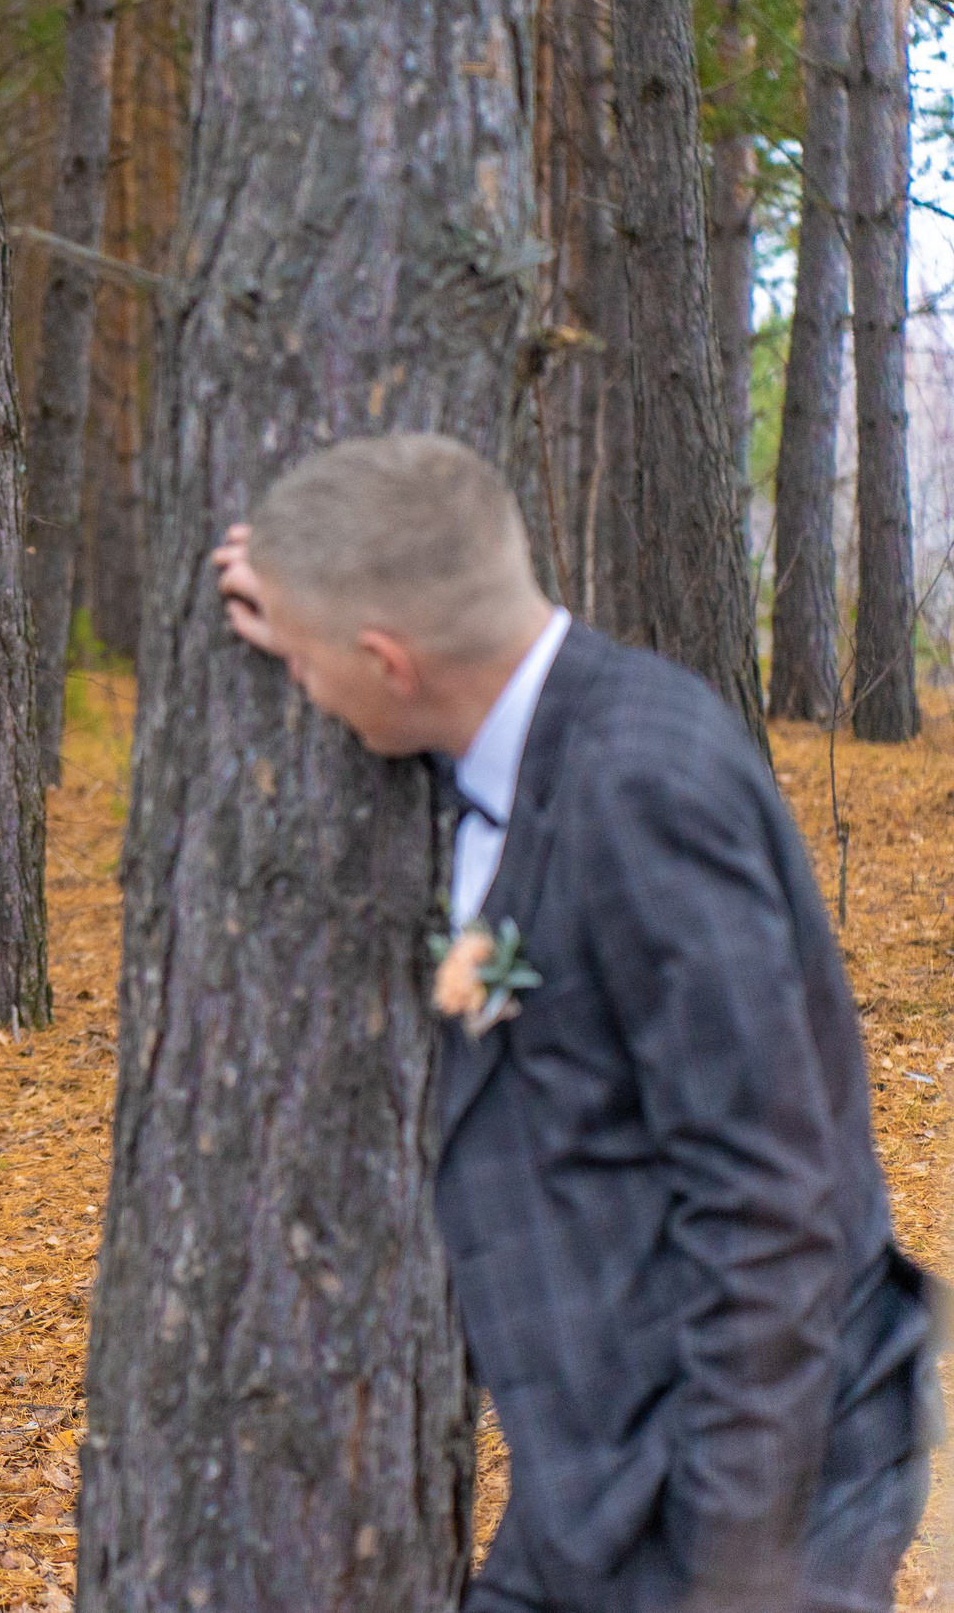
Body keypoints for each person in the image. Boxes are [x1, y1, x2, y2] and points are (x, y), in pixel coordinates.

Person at [211, 433, 938, 1612]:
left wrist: (733, 1570)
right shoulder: (522, 738)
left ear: (388, 660)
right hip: (609, 1463)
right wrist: (307, 586)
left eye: (303, 665)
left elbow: (773, 1200)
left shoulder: (640, 791)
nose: (297, 685)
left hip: (753, 1488)